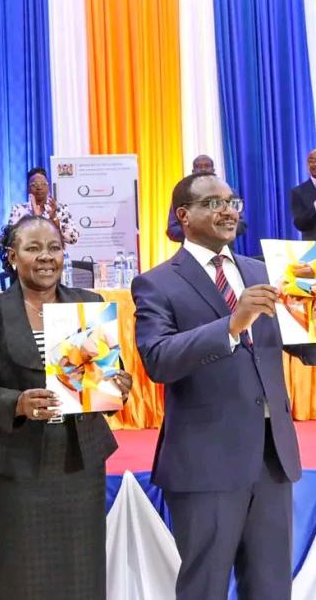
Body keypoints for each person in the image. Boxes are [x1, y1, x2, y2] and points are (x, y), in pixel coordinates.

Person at [132, 171, 316, 599]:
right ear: (184, 215)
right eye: (213, 203)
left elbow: (306, 348)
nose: (228, 210)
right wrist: (232, 324)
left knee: (271, 588)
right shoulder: (157, 282)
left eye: (232, 201)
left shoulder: (265, 271)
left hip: (273, 460)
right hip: (206, 463)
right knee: (205, 588)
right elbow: (158, 359)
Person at [0, 215, 132, 599]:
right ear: (12, 256)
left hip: (80, 461)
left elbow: (107, 381)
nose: (46, 257)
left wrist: (119, 386)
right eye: (33, 248)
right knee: (19, 578)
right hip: (16, 465)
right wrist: (17, 403)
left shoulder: (89, 305)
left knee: (81, 576)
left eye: (54, 248)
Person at [166, 155, 247, 242]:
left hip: (225, 250)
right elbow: (172, 230)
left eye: (207, 166)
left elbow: (242, 223)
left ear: (213, 170)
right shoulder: (183, 195)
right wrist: (202, 232)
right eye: (198, 166)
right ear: (193, 171)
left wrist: (221, 228)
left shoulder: (229, 192)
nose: (203, 169)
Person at [7, 167, 79, 247]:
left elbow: (73, 238)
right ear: (28, 188)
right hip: (29, 257)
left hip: (55, 256)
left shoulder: (60, 209)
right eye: (34, 184)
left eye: (43, 183)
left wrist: (54, 219)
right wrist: (35, 219)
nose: (39, 188)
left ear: (48, 187)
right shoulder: (18, 210)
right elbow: (11, 239)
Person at [290, 148, 316, 239]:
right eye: (311, 161)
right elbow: (300, 224)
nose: (314, 164)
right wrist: (314, 208)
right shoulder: (298, 192)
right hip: (313, 249)